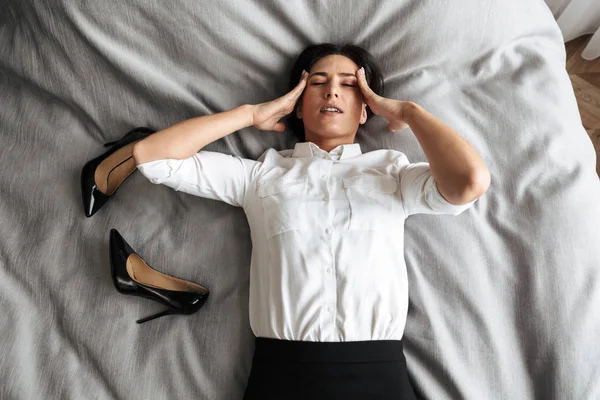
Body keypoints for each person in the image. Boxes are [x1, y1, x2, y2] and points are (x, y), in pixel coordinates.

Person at [131, 43, 491, 399]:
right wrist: (251, 114)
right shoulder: (260, 176)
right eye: (318, 82)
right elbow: (151, 156)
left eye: (349, 84)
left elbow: (470, 182)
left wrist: (410, 113)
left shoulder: (394, 172)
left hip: (378, 374)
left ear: (365, 110)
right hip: (283, 373)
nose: (332, 89)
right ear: (298, 106)